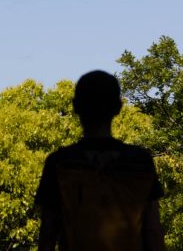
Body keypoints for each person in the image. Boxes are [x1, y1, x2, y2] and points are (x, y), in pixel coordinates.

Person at [34, 70, 165, 251]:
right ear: (118, 107)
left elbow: (48, 233)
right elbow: (153, 231)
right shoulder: (139, 162)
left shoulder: (60, 163)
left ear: (76, 106)